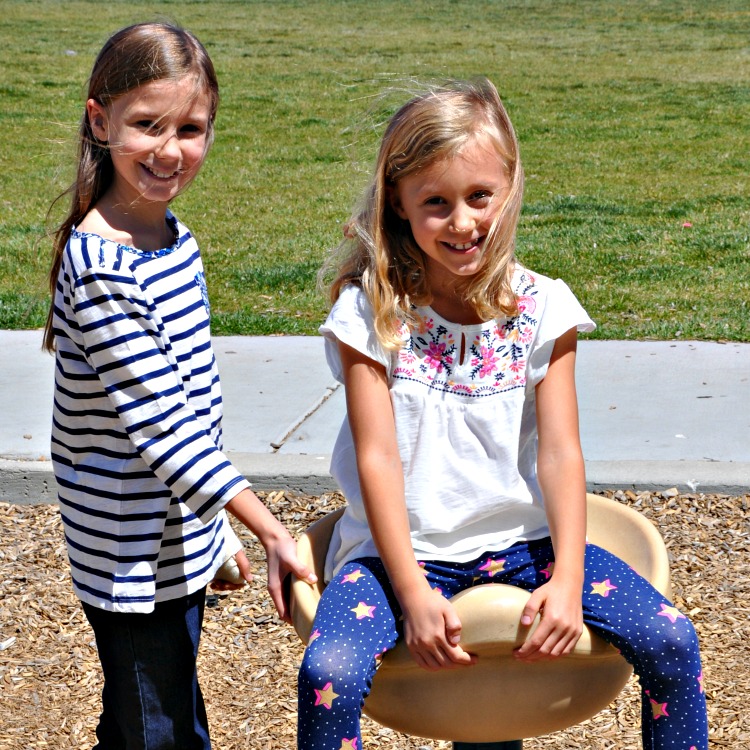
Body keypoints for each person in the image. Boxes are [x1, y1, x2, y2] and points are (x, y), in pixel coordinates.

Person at [298, 79, 708, 750]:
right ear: (399, 204)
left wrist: (569, 580)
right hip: (396, 559)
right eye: (436, 203)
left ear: (509, 190)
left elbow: (560, 452)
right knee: (330, 670)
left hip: (527, 551)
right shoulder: (372, 312)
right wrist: (411, 590)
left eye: (479, 197)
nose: (463, 223)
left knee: (670, 637)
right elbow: (377, 456)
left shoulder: (545, 308)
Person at [43, 22, 316, 749]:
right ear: (100, 121)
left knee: (144, 723)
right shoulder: (102, 265)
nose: (170, 150)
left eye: (191, 128)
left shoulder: (172, 240)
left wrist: (210, 535)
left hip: (173, 542)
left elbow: (192, 407)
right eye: (146, 125)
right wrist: (268, 529)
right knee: (162, 734)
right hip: (128, 556)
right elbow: (164, 429)